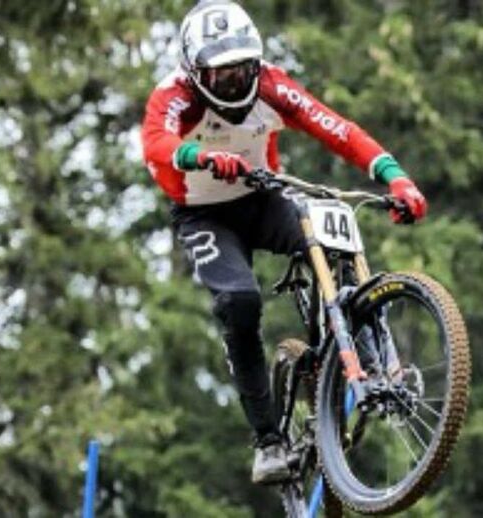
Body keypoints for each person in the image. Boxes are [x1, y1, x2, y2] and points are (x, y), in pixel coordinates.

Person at [140, 0, 427, 484]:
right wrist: (201, 156)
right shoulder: (174, 96)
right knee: (239, 302)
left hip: (263, 196)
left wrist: (396, 177)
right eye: (222, 75)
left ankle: (370, 361)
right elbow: (155, 143)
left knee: (333, 241)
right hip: (203, 214)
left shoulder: (273, 85)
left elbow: (337, 129)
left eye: (243, 69)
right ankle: (268, 441)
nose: (236, 83)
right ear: (195, 73)